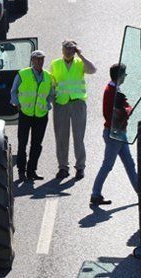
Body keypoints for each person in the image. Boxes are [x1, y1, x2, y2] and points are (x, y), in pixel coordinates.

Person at [90, 64, 138, 205]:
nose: (125, 77)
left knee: (129, 164)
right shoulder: (113, 91)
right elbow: (120, 112)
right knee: (108, 165)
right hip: (115, 133)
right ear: (119, 76)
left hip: (118, 133)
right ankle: (95, 194)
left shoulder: (112, 89)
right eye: (124, 74)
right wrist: (129, 109)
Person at [50, 41, 96, 180]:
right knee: (61, 138)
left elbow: (93, 70)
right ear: (62, 49)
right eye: (66, 49)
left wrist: (81, 55)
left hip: (77, 103)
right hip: (61, 103)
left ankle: (80, 167)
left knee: (78, 137)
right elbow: (52, 83)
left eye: (71, 49)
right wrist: (53, 100)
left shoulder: (80, 63)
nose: (69, 52)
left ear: (75, 50)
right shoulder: (55, 64)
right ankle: (63, 167)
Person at [11, 50, 56, 182]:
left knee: (37, 144)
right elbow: (14, 91)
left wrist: (47, 105)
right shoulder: (23, 74)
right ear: (32, 60)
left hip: (41, 115)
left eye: (42, 59)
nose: (40, 61)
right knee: (22, 143)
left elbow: (51, 93)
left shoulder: (48, 76)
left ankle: (32, 171)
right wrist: (17, 103)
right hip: (26, 113)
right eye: (37, 59)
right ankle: (21, 171)